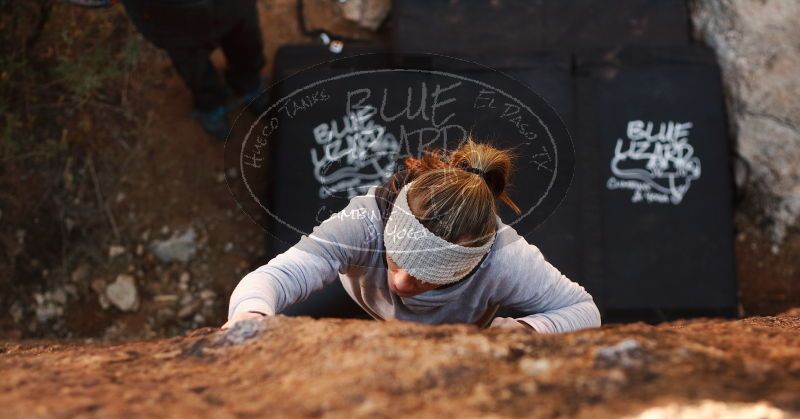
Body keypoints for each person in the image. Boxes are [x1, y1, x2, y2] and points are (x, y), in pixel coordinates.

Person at [224, 138, 601, 333]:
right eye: (395, 258)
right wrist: (250, 315)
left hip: (457, 339)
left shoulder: (505, 258)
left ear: (468, 266)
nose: (401, 283)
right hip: (361, 305)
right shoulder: (365, 220)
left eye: (427, 276)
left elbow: (583, 311)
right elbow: (278, 275)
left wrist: (522, 333)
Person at [119, 0, 268, 140]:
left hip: (235, 7)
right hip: (172, 22)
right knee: (195, 69)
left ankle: (248, 82)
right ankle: (210, 103)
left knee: (246, 44)